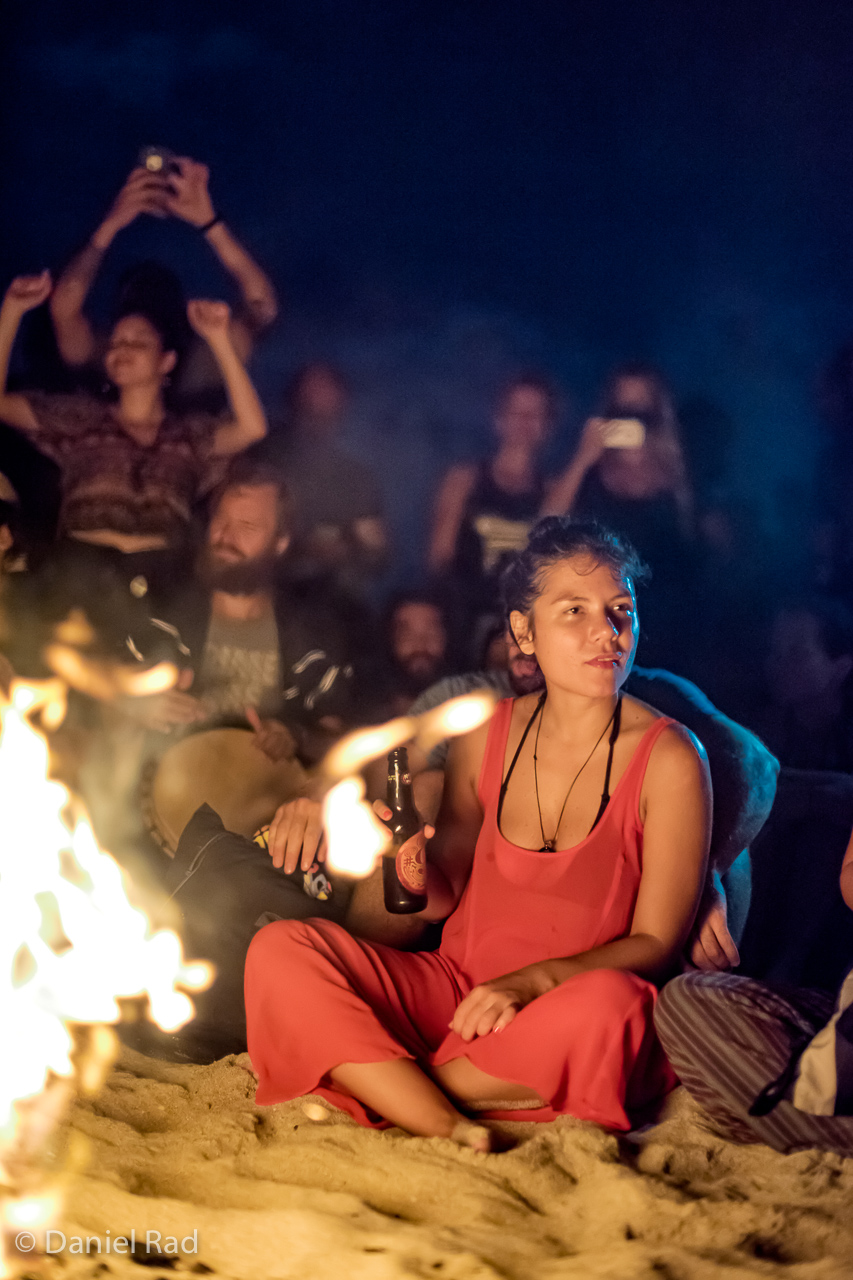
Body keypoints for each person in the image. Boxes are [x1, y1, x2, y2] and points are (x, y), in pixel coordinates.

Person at [245, 517, 712, 1148]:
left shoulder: (671, 758)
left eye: (620, 610)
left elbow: (656, 941)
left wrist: (531, 983)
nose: (607, 632)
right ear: (524, 629)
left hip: (563, 1004)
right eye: (575, 610)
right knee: (282, 948)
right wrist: (395, 851)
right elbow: (445, 893)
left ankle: (394, 1085)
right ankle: (445, 1117)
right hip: (455, 993)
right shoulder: (484, 733)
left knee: (618, 1008)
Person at [0, 270, 267, 640]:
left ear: (166, 362)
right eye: (116, 342)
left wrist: (220, 338)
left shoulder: (190, 433)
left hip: (162, 580)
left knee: (155, 687)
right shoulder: (81, 417)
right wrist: (12, 311)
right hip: (81, 570)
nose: (121, 348)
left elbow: (253, 428)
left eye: (138, 342)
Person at [655, 824, 853, 1156]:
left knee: (737, 1099)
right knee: (685, 1003)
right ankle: (803, 1119)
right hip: (841, 1018)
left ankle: (786, 1121)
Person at [48, 158, 278, 412]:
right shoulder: (108, 359)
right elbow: (64, 308)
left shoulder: (198, 371)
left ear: (166, 358)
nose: (127, 346)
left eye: (141, 341)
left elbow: (262, 308)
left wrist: (209, 221)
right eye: (122, 339)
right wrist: (111, 223)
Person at [543, 364, 694, 668]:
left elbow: (691, 543)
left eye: (642, 409)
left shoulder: (675, 471)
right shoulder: (590, 470)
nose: (631, 418)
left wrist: (675, 466)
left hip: (665, 621)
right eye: (622, 408)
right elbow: (545, 525)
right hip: (600, 620)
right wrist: (583, 458)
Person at [427, 375, 560, 618]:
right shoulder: (463, 480)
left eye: (535, 413)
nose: (525, 421)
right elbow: (440, 557)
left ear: (548, 426)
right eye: (516, 412)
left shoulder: (553, 491)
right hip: (466, 613)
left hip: (525, 619)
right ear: (499, 420)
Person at [267, 362, 389, 597]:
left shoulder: (354, 477)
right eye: (311, 394)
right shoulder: (264, 459)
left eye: (328, 394)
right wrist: (303, 548)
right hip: (268, 593)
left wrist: (345, 550)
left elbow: (377, 555)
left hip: (329, 599)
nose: (319, 402)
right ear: (294, 399)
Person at [751, 599, 853, 773]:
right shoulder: (758, 732)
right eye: (774, 649)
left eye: (796, 653)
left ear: (841, 667)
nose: (777, 663)